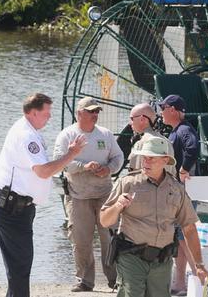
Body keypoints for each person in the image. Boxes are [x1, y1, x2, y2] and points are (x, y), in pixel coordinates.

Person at [0, 93, 86, 297]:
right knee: (19, 263)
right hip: (11, 205)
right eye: (46, 113)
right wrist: (71, 154)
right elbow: (43, 171)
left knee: (19, 263)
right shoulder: (26, 135)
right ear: (33, 113)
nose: (49, 117)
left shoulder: (29, 130)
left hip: (18, 205)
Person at [100, 136, 208, 297]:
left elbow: (189, 228)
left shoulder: (176, 189)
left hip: (162, 261)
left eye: (151, 158)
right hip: (131, 257)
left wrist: (199, 265)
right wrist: (118, 206)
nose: (146, 162)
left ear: (165, 160)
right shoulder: (128, 183)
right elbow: (104, 220)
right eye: (144, 158)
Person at [53, 96, 124, 292]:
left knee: (109, 238)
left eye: (97, 112)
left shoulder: (105, 134)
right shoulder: (66, 135)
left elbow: (119, 157)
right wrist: (84, 167)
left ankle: (115, 280)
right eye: (91, 111)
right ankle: (85, 281)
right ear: (79, 113)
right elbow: (59, 161)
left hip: (105, 194)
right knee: (80, 239)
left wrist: (109, 169)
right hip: (77, 195)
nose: (95, 115)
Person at [159, 94, 200, 295]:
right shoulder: (177, 130)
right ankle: (181, 284)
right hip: (179, 192)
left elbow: (193, 147)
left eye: (163, 108)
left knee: (184, 235)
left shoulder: (184, 129)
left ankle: (200, 279)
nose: (161, 112)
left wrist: (183, 169)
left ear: (173, 110)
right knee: (180, 237)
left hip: (183, 193)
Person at [128, 102, 175, 175]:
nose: (130, 123)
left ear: (142, 119)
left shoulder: (142, 142)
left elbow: (135, 175)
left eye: (132, 118)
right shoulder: (166, 141)